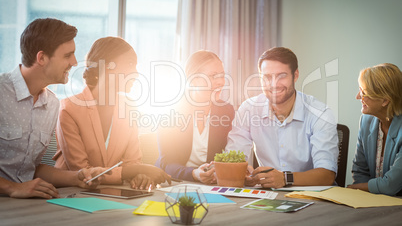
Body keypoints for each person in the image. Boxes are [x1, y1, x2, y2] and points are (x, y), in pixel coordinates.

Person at [0, 18, 107, 199]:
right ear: (41, 58)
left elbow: (31, 168)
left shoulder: (52, 103)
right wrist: (11, 188)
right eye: (67, 55)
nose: (74, 62)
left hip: (25, 205)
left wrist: (76, 177)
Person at [54, 37, 170, 190]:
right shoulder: (69, 109)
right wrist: (135, 171)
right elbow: (83, 173)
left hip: (114, 192)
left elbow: (133, 161)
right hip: (72, 194)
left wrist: (138, 175)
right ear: (107, 66)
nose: (135, 73)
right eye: (130, 64)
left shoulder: (129, 108)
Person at [225, 47, 339, 188]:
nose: (273, 84)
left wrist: (285, 178)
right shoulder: (248, 109)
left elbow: (327, 175)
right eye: (266, 77)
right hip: (269, 195)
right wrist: (241, 173)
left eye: (281, 76)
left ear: (295, 75)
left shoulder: (320, 113)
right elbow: (233, 158)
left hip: (313, 196)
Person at [155, 50, 235, 184]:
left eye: (222, 75)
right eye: (213, 75)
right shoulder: (169, 112)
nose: (221, 82)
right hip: (174, 182)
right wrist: (194, 174)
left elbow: (227, 155)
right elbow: (166, 162)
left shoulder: (226, 111)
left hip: (211, 184)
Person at [347, 63, 402, 196]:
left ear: (385, 100)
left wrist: (355, 188)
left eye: (364, 92)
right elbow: (360, 170)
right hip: (372, 203)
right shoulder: (366, 121)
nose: (358, 97)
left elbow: (391, 185)